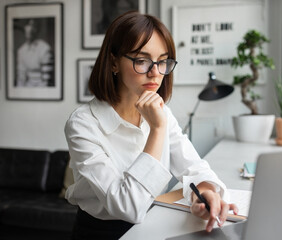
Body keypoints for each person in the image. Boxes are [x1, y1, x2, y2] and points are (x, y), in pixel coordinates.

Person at [64, 11, 238, 240]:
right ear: (114, 62)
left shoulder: (162, 112)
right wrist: (156, 130)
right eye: (142, 60)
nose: (155, 73)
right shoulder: (83, 124)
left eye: (162, 61)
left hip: (153, 225)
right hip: (102, 233)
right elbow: (128, 207)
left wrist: (204, 193)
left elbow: (194, 168)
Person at [16, 19, 53, 87]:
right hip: (28, 85)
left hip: (42, 85)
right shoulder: (21, 50)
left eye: (33, 26)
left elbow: (46, 78)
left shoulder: (44, 48)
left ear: (37, 30)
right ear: (24, 28)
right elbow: (21, 76)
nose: (30, 29)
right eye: (28, 25)